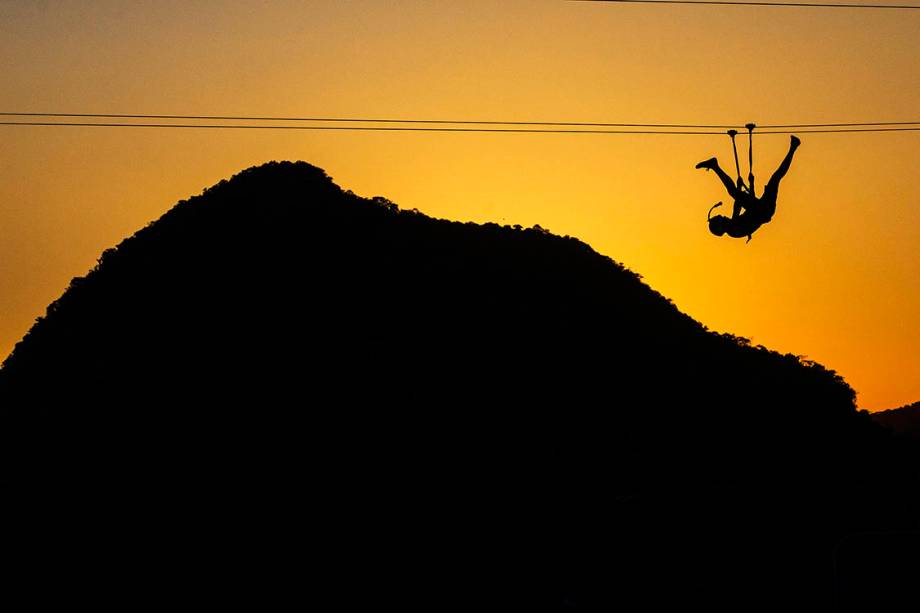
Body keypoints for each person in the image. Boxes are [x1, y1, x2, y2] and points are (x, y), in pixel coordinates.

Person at [696, 135, 800, 242]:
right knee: (774, 178)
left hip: (762, 209)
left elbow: (744, 206)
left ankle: (793, 147)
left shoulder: (732, 228)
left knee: (775, 178)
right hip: (763, 210)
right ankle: (715, 166)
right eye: (720, 218)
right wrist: (747, 186)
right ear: (720, 227)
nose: (722, 216)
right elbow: (746, 208)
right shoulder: (734, 230)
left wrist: (743, 186)